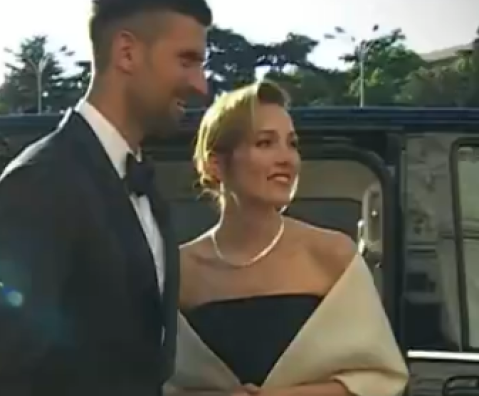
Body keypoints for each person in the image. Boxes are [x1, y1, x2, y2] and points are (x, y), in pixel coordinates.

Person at [0, 0, 212, 395]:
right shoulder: (41, 181)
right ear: (127, 52)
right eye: (187, 60)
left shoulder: (145, 187)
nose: (201, 85)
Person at [165, 81, 409, 396]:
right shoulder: (180, 269)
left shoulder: (333, 256)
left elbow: (377, 381)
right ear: (216, 164)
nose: (287, 159)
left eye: (292, 144)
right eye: (265, 143)